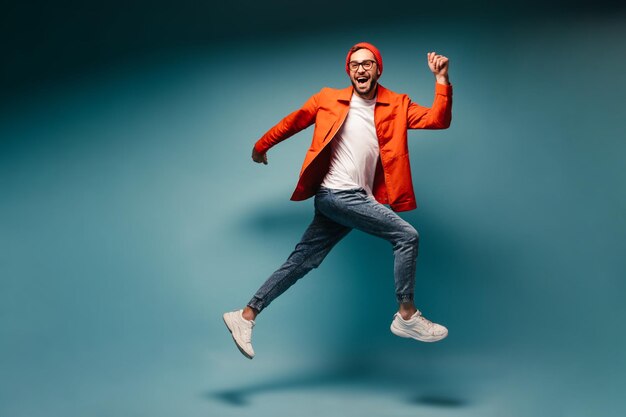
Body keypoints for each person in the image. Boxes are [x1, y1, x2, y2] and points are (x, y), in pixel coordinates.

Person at [223, 42, 453, 359]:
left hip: (350, 200)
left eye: (368, 63)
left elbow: (438, 120)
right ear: (349, 71)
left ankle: (246, 315)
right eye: (355, 64)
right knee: (406, 236)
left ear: (377, 69)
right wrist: (261, 146)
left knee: (302, 261)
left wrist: (441, 80)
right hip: (336, 193)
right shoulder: (328, 98)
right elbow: (294, 121)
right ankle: (407, 314)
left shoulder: (397, 104)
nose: (361, 68)